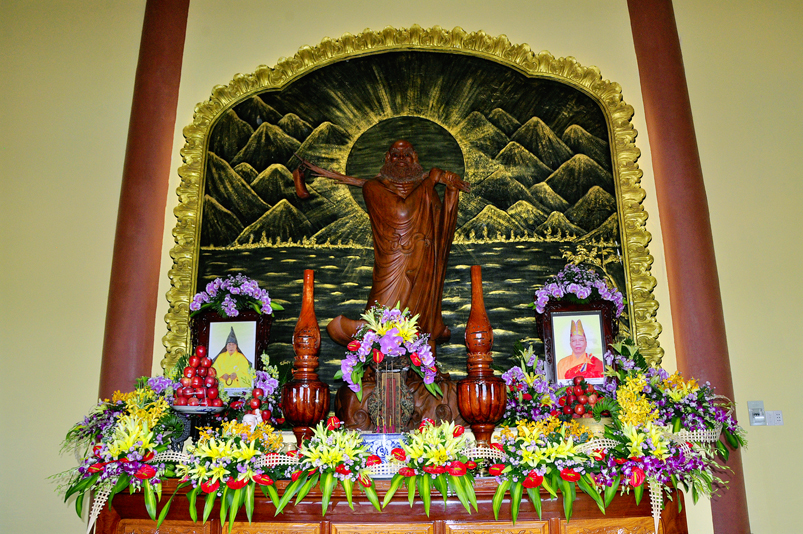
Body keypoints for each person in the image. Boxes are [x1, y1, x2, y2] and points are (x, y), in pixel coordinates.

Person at [295, 140, 470, 347]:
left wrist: (451, 190)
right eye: (396, 154)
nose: (401, 159)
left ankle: (419, 355)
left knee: (420, 327)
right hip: (393, 264)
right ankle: (375, 347)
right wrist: (431, 180)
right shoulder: (373, 187)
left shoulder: (427, 189)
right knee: (381, 317)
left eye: (407, 154)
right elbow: (401, 211)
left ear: (415, 158)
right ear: (387, 158)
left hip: (424, 267)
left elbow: (441, 227)